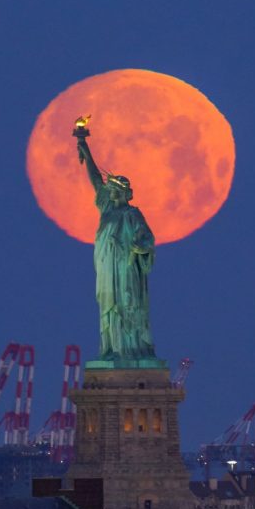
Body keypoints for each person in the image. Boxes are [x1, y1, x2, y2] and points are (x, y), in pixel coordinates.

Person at [75, 129, 156, 360]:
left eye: (112, 189)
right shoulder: (107, 209)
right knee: (107, 305)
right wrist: (84, 147)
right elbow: (95, 180)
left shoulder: (132, 214)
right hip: (106, 266)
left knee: (125, 304)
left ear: (121, 192)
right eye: (109, 189)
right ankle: (110, 348)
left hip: (124, 267)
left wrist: (140, 246)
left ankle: (128, 349)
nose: (108, 191)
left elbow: (147, 237)